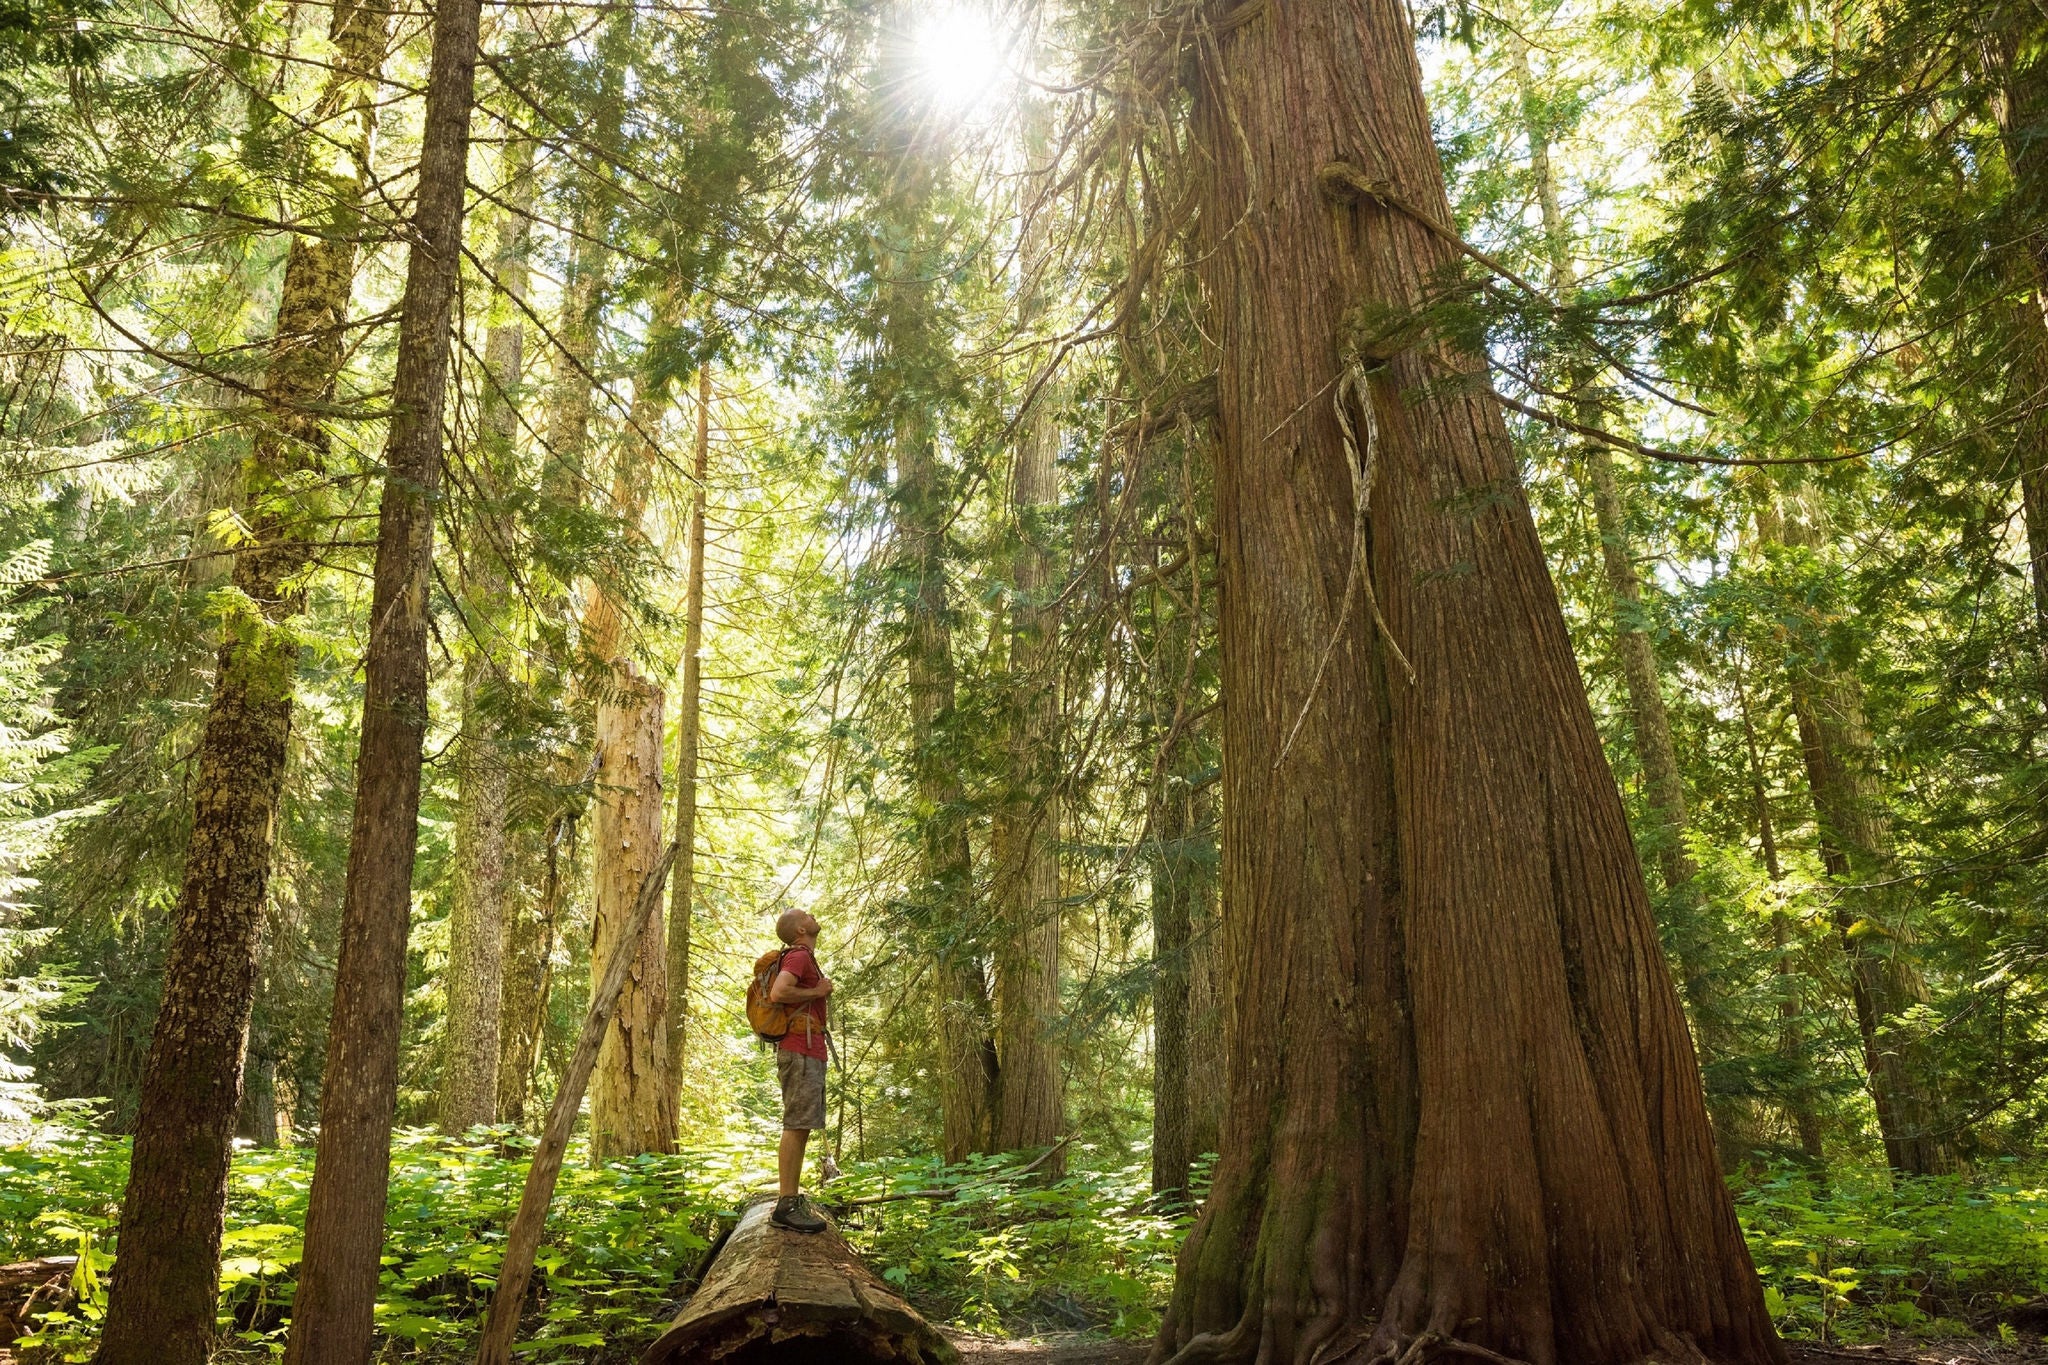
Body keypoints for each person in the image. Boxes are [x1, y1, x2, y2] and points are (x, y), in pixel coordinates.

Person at [767, 907, 833, 1233]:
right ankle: (786, 1205)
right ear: (800, 931)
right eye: (805, 914)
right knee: (796, 1124)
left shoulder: (803, 956)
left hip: (807, 1049)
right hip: (799, 1049)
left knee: (802, 1124)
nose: (811, 915)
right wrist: (817, 991)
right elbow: (778, 992)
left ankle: (789, 1201)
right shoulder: (799, 956)